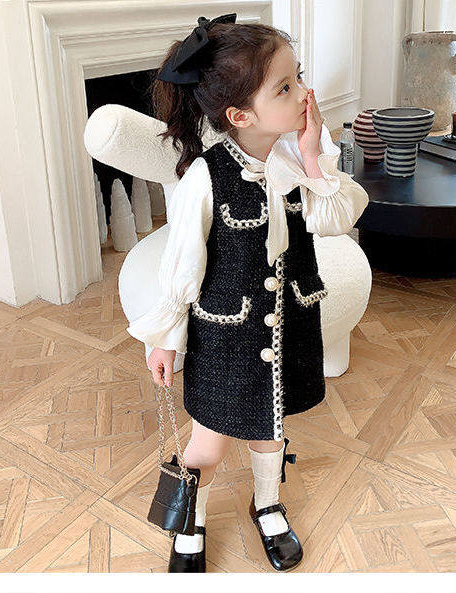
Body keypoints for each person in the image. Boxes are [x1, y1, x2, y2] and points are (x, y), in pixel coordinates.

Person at [126, 13, 369, 573]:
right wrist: (164, 339)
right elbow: (181, 265)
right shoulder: (204, 177)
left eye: (299, 76)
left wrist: (313, 154)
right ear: (240, 116)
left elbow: (336, 217)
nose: (304, 93)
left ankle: (267, 504)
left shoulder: (298, 162)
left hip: (289, 327)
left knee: (270, 432)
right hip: (226, 339)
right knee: (207, 446)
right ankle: (191, 520)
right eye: (285, 87)